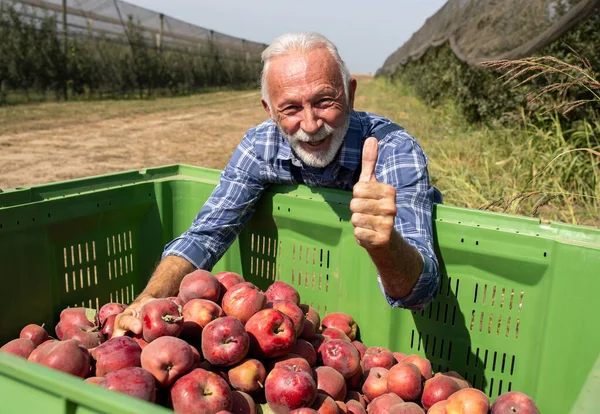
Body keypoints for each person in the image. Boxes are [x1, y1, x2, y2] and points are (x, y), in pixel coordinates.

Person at [112, 32, 442, 338]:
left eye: (325, 101)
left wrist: (386, 245)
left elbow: (423, 289)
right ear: (269, 111)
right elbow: (208, 233)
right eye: (291, 108)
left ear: (351, 93)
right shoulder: (261, 147)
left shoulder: (394, 150)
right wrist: (149, 299)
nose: (311, 125)